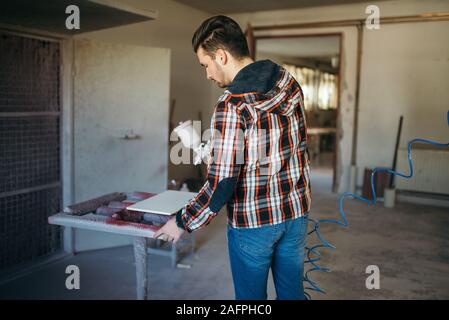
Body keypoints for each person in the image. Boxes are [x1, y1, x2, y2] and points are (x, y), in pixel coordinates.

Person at [154, 15, 311, 300]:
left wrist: (181, 222)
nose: (207, 74)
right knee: (292, 295)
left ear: (222, 56)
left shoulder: (232, 105)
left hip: (254, 223)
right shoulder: (288, 82)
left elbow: (222, 183)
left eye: (205, 65)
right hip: (296, 213)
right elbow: (293, 146)